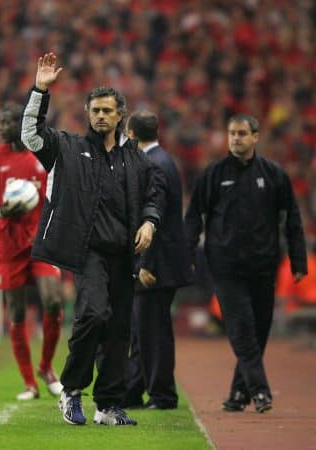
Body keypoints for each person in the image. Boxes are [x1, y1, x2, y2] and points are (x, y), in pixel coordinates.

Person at [21, 53, 166, 426]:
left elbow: (155, 193)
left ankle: (108, 404)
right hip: (88, 252)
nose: (100, 116)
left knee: (119, 328)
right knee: (93, 314)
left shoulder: (135, 157)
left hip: (124, 253)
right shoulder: (69, 148)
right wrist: (40, 89)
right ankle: (71, 391)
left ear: (121, 116)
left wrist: (149, 222)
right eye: (94, 110)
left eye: (106, 110)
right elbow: (30, 135)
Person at [185, 113, 307, 413]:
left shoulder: (274, 174)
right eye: (232, 134)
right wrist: (187, 255)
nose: (236, 139)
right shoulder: (213, 174)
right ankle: (261, 391)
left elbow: (292, 218)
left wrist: (298, 259)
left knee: (259, 330)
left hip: (263, 266)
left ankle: (238, 394)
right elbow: (193, 218)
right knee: (241, 327)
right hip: (225, 267)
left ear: (255, 137)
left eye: (242, 134)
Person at [0, 102, 64, 401]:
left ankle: (46, 367)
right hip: (9, 246)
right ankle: (29, 382)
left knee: (52, 300)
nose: (1, 127)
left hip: (41, 242)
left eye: (6, 122)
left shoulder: (40, 156)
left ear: (20, 124)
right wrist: (2, 211)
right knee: (15, 312)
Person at [122, 110, 192, 410]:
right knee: (141, 331)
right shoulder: (162, 160)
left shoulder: (154, 165)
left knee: (153, 333)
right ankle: (134, 390)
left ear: (132, 134)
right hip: (159, 261)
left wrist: (147, 264)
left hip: (157, 265)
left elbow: (155, 216)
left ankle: (162, 395)